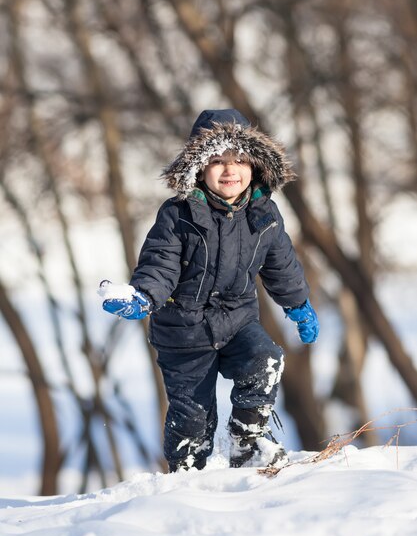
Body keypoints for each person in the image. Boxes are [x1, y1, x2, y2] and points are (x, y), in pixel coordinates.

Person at [99, 109, 319, 472]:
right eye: (217, 160)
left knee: (265, 360)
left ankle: (246, 442)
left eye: (239, 160)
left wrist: (298, 305)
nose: (230, 170)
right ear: (198, 168)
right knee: (193, 416)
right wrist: (144, 295)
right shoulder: (177, 215)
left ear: (256, 165)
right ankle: (188, 474)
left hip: (237, 321)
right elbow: (160, 264)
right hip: (183, 331)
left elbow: (281, 265)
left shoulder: (265, 214)